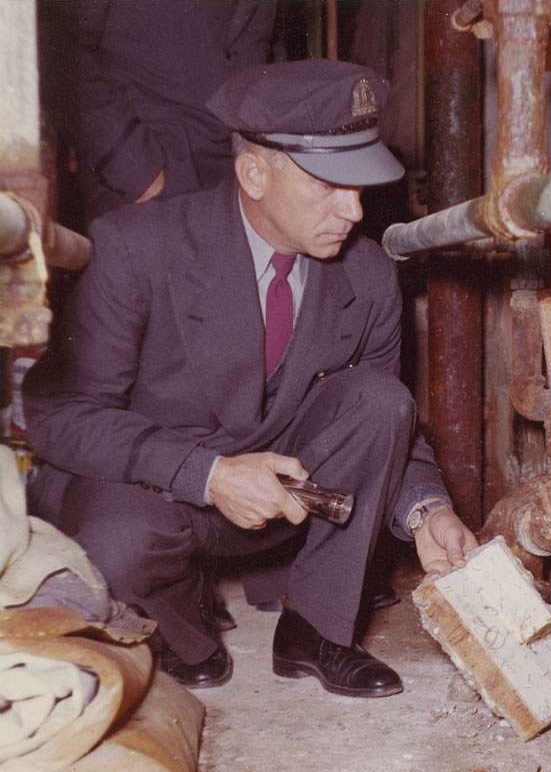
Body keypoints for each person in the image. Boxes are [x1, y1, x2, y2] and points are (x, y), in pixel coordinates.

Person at [23, 58, 479, 696]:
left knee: (381, 400)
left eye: (361, 186)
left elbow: (383, 424)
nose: (353, 210)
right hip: (162, 493)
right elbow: (61, 417)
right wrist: (207, 476)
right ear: (253, 173)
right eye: (329, 185)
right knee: (115, 543)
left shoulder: (368, 274)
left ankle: (317, 630)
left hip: (285, 504)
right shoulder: (136, 248)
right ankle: (180, 630)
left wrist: (426, 509)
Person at [76, 0, 280, 219]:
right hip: (151, 176)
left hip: (239, 178)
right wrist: (134, 167)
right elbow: (59, 43)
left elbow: (263, 49)